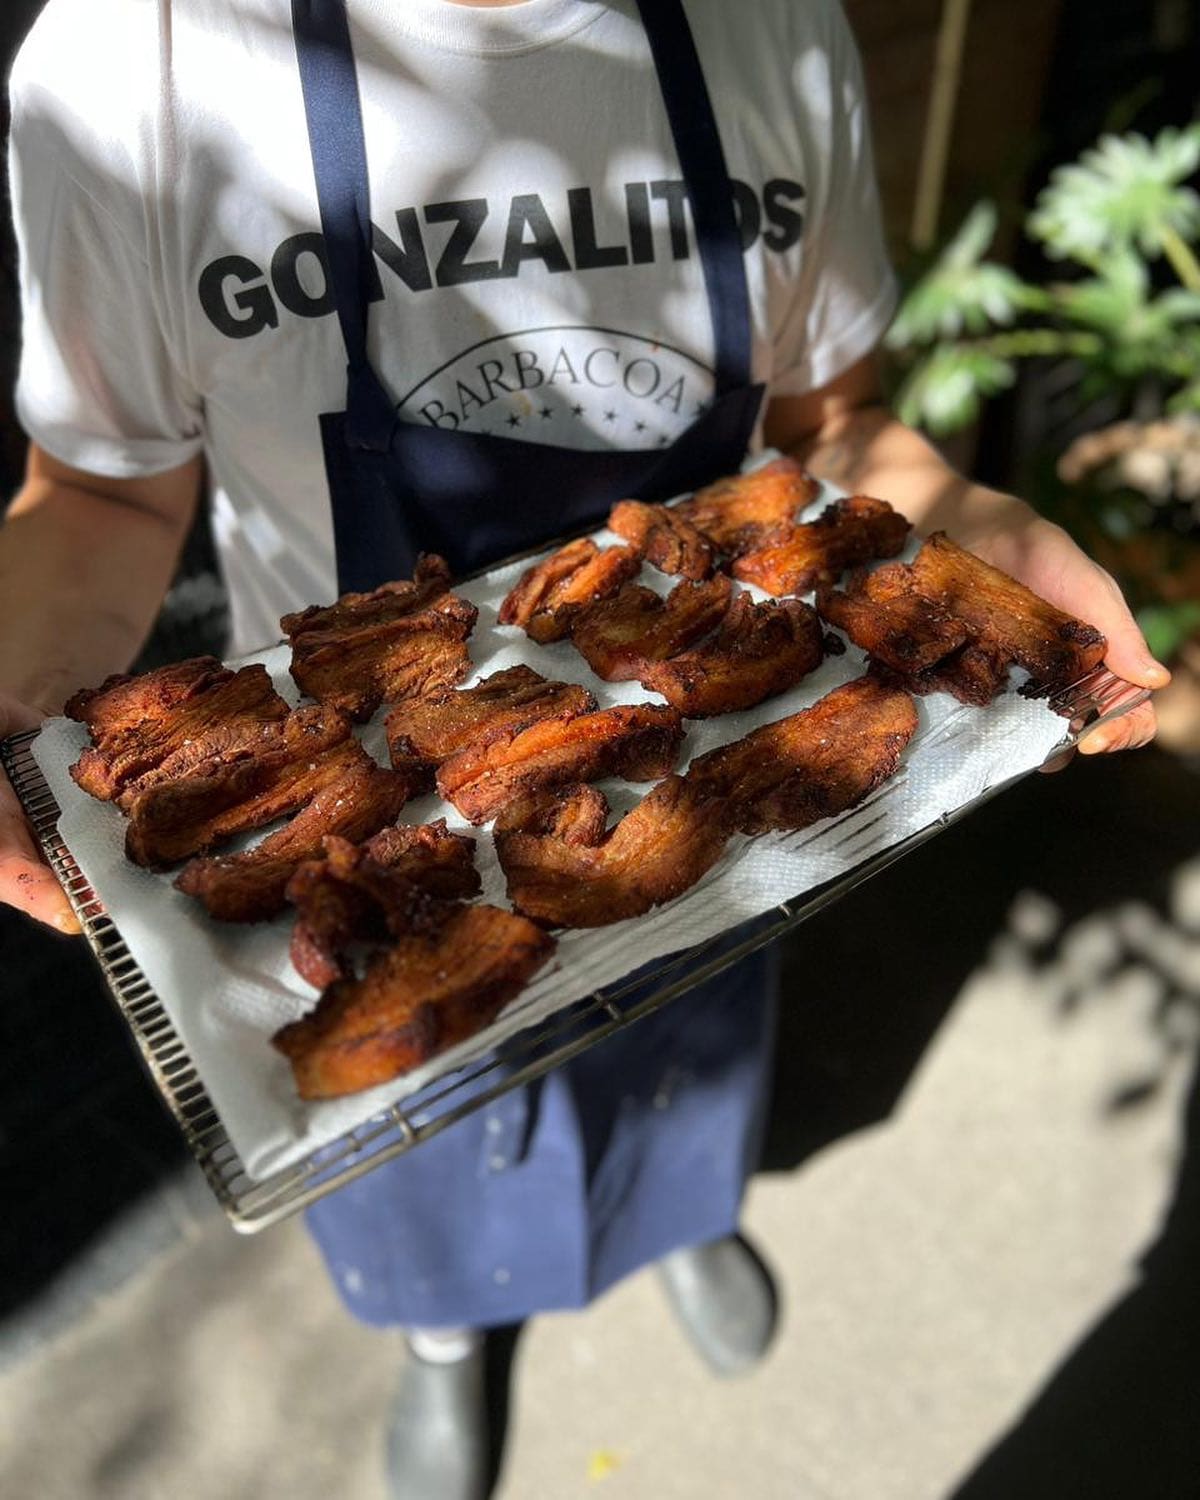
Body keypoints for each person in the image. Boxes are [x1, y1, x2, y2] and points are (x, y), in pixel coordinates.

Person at [1, 1, 1165, 1496]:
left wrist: (974, 534)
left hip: (710, 758)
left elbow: (840, 427)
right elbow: (96, 497)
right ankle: (446, 1339)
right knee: (400, 1137)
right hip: (358, 713)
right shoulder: (129, 58)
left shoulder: (776, 29)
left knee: (682, 1052)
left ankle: (676, 1227)